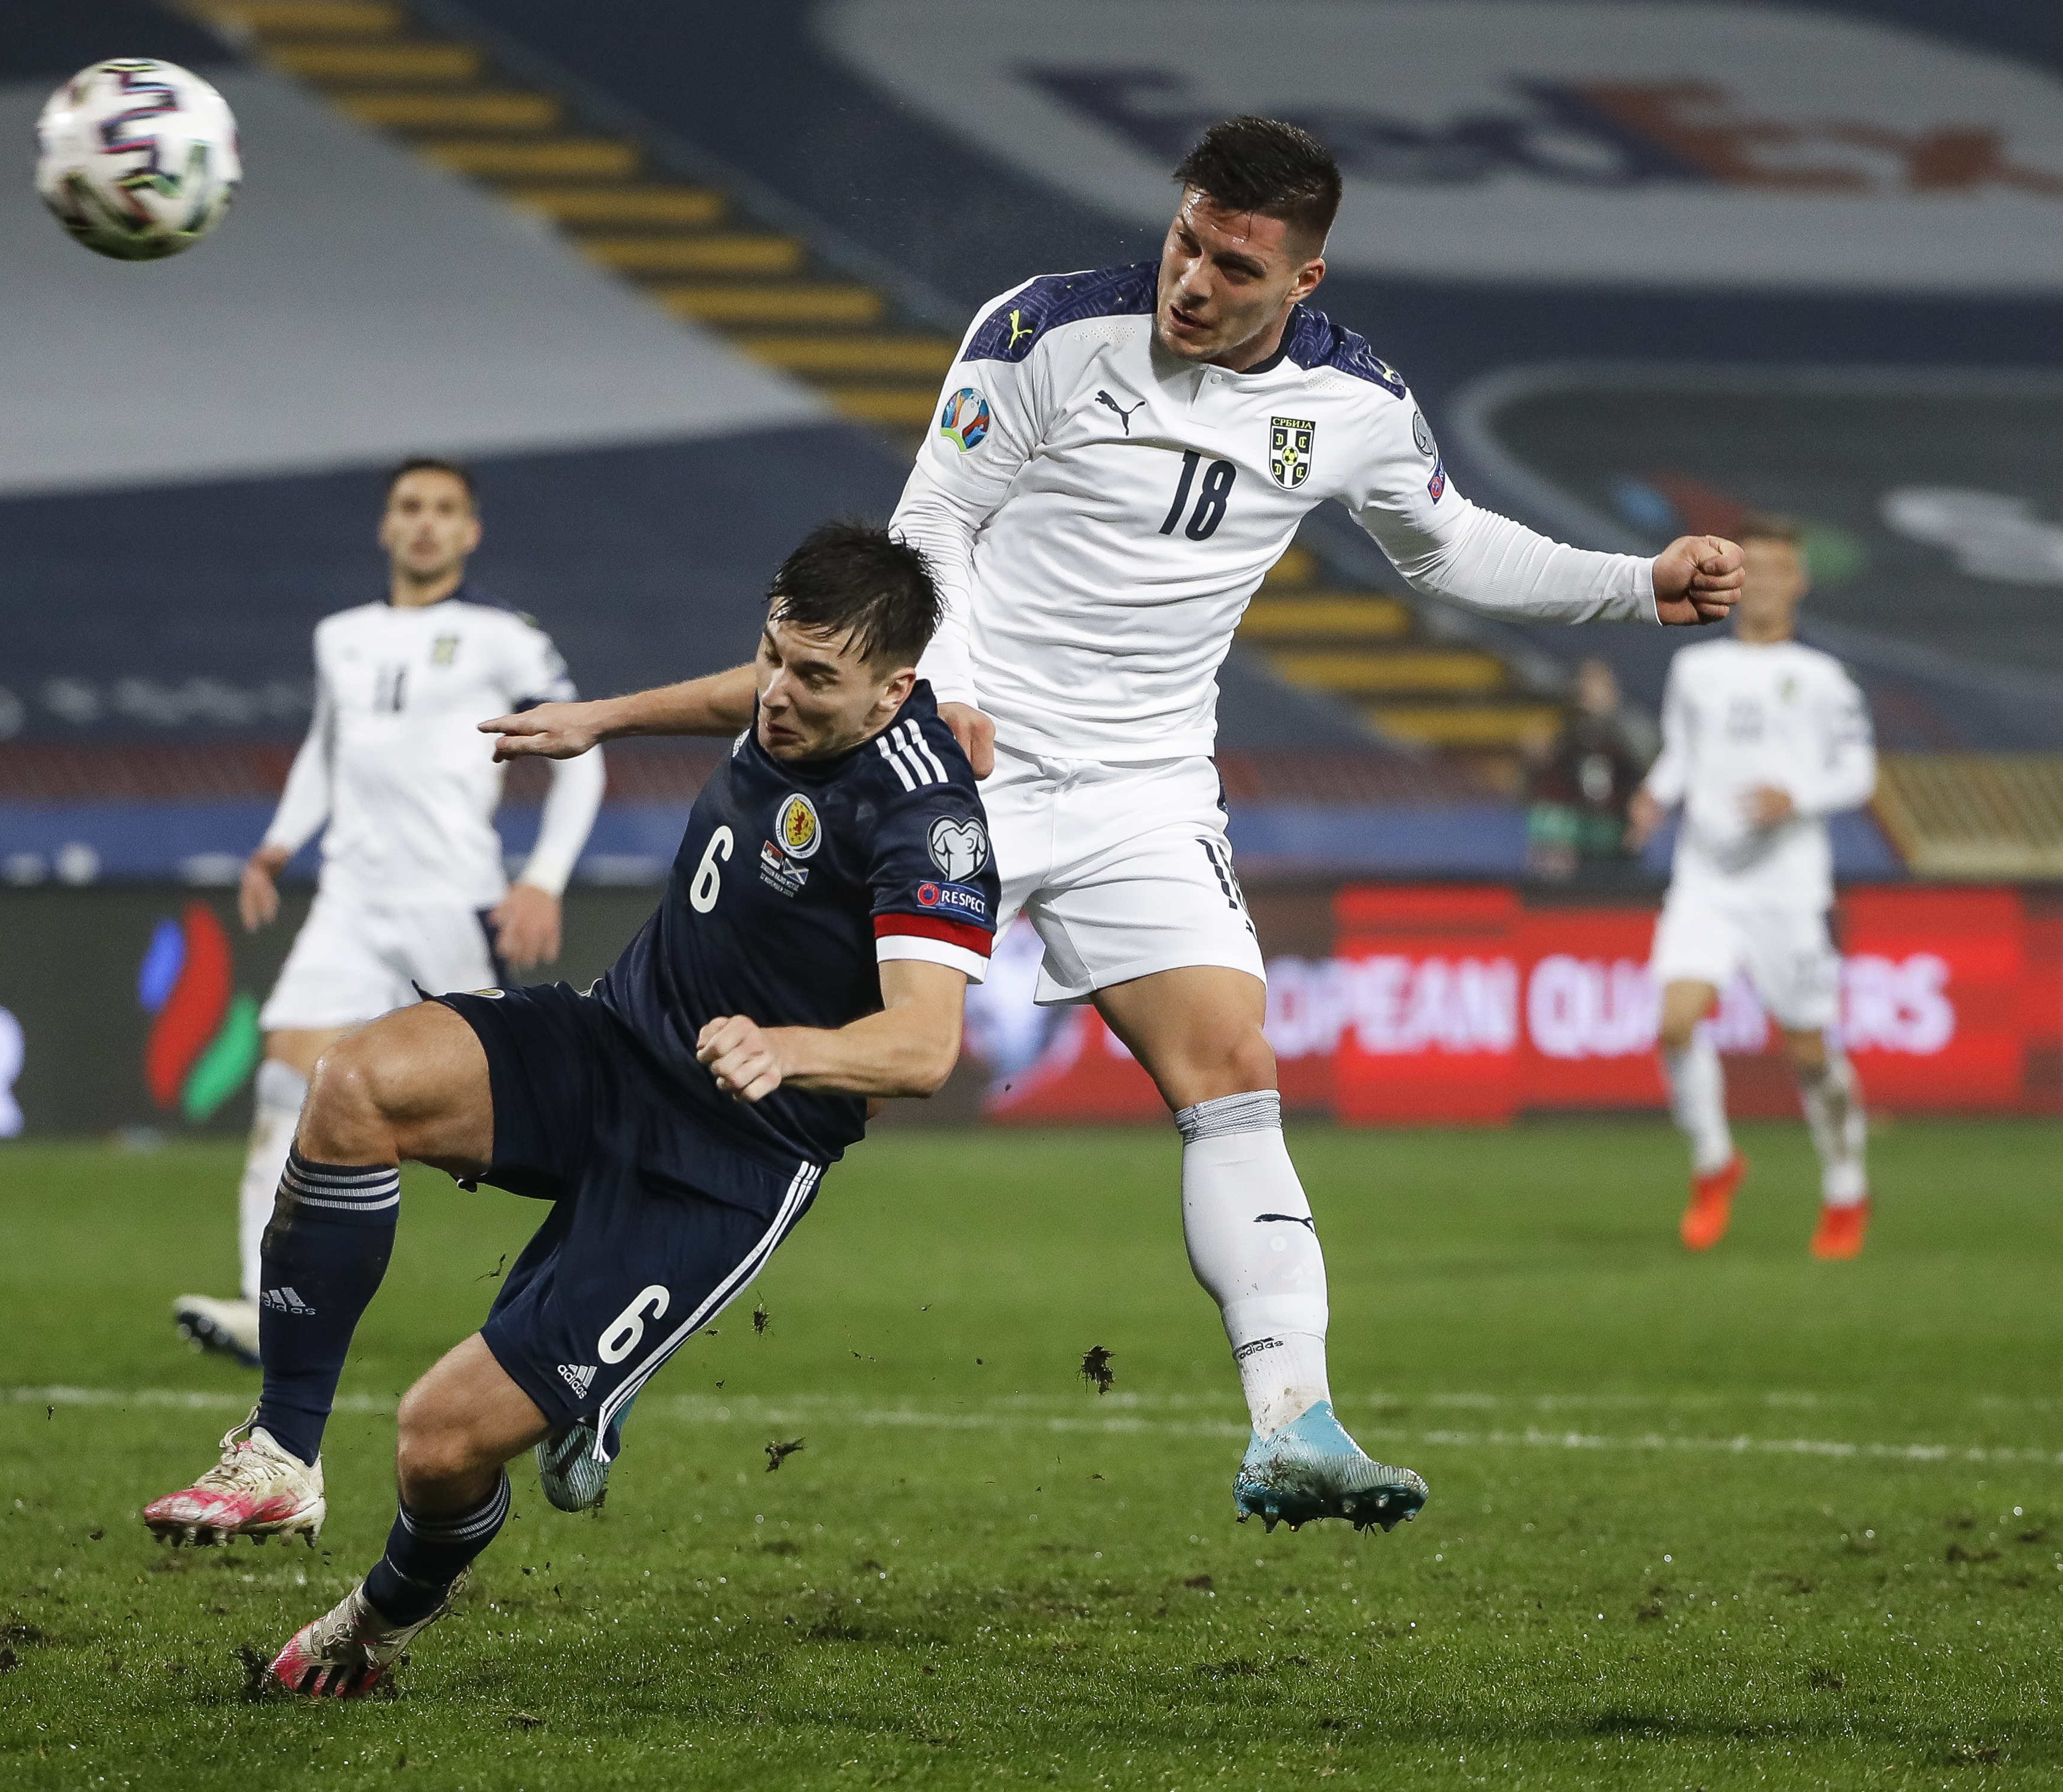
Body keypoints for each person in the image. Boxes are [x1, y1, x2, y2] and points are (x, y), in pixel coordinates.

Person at [492, 117, 1742, 1532]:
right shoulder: (1042, 333)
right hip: (954, 767)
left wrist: (1633, 584)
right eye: (1184, 242)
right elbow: (934, 520)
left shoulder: (1354, 408)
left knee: (1230, 1063)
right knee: (761, 1078)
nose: (1192, 280)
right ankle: (591, 1350)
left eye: (1233, 264)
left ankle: (1293, 1423)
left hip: (1145, 786)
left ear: (1303, 280)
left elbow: (1447, 544)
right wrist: (946, 691)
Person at [139, 523, 998, 1695]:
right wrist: (599, 719)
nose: (776, 697)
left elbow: (924, 1044)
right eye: (772, 657)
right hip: (612, 1042)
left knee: (437, 1441)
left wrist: (784, 1046)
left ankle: (372, 1624)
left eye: (812, 680)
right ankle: (281, 1449)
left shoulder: (924, 817)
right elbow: (739, 690)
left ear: (895, 691)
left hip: (724, 1160)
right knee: (353, 1082)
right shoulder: (796, 684)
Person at [170, 458, 605, 1367]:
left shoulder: (500, 637)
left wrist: (543, 879)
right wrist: (282, 842)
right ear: (385, 525)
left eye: (445, 510)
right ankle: (266, 1306)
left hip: (453, 901)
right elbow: (325, 751)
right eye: (410, 507)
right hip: (351, 899)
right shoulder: (343, 636)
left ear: (469, 532)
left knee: (515, 1124)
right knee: (288, 1074)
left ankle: (594, 1280)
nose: (425, 524)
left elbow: (583, 756)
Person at [1626, 516, 1877, 1260]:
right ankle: (1714, 1163)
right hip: (1704, 879)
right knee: (1674, 1024)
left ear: (1797, 581)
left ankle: (1844, 1186)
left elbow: (1857, 774)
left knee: (1808, 1054)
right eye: (1752, 568)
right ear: (1734, 579)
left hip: (1788, 890)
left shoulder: (1826, 677)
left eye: (1777, 569)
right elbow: (1680, 752)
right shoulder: (1696, 669)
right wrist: (1652, 794)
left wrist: (1793, 795)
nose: (1763, 581)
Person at [1524, 658, 1652, 883]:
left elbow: (1640, 784)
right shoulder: (1566, 738)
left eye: (1605, 686)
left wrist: (1638, 820)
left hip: (1616, 842)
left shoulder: (1626, 739)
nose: (1601, 695)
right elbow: (1546, 791)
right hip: (1577, 845)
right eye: (1592, 687)